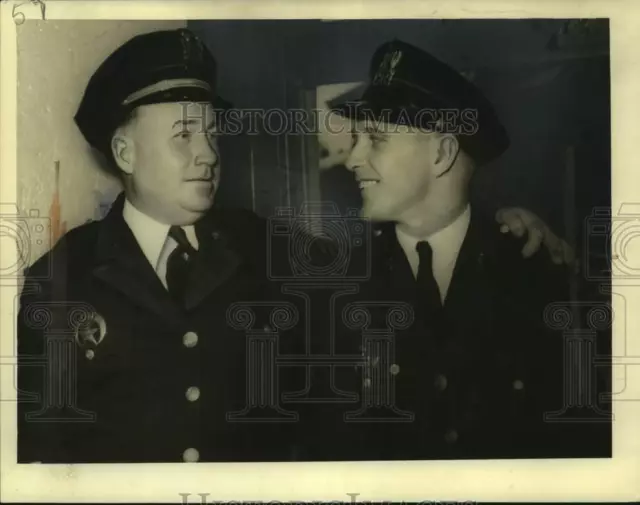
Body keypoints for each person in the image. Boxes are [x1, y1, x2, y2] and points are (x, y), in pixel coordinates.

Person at [299, 39, 609, 460]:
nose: (354, 159)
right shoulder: (332, 288)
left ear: (443, 153)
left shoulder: (541, 274)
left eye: (375, 139)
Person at [16, 28, 299, 463]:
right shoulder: (60, 278)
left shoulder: (267, 250)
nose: (207, 154)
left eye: (211, 134)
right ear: (125, 154)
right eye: (184, 136)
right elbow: (43, 451)